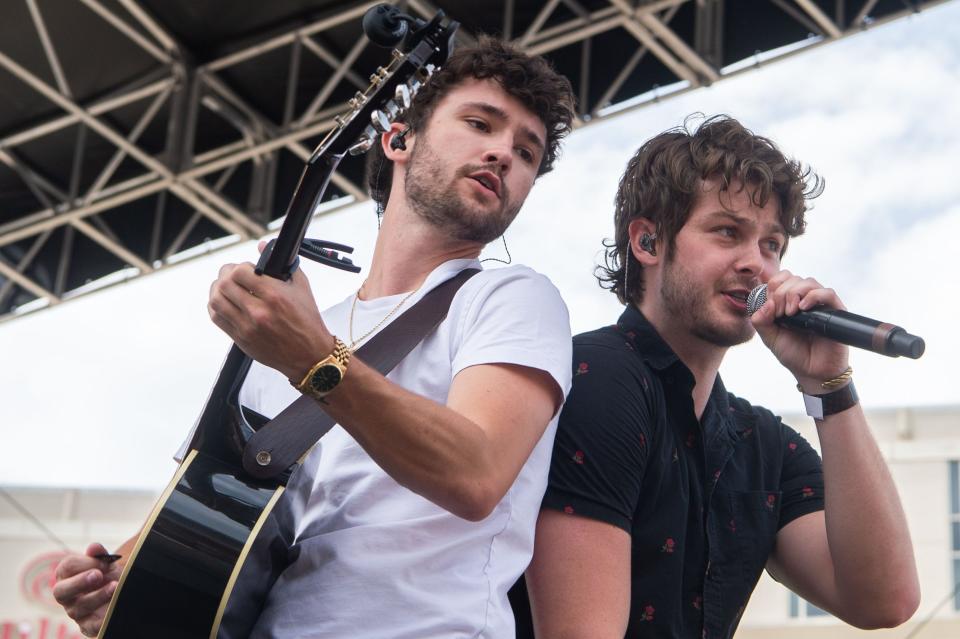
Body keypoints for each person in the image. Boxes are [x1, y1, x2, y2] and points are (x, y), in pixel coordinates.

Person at [53, 37, 576, 638]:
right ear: (398, 138)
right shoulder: (284, 328)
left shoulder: (512, 298)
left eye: (527, 152)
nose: (503, 153)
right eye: (480, 123)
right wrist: (114, 582)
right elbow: (211, 507)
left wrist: (310, 356)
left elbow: (476, 474)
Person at [517, 115, 920, 638]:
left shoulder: (761, 443)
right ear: (648, 242)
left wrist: (831, 384)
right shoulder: (595, 377)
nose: (757, 263)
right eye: (727, 231)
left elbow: (882, 600)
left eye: (772, 244)